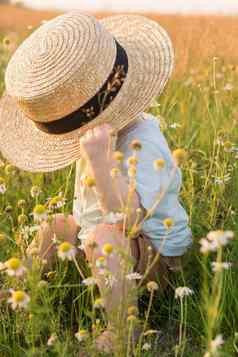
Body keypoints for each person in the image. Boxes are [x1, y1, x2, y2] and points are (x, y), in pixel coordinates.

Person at [0, 11, 192, 353]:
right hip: (104, 248)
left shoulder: (142, 141)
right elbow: (86, 212)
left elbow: (131, 222)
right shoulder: (93, 139)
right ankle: (17, 290)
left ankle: (123, 330)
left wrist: (102, 165)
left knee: (106, 236)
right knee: (57, 225)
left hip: (153, 260)